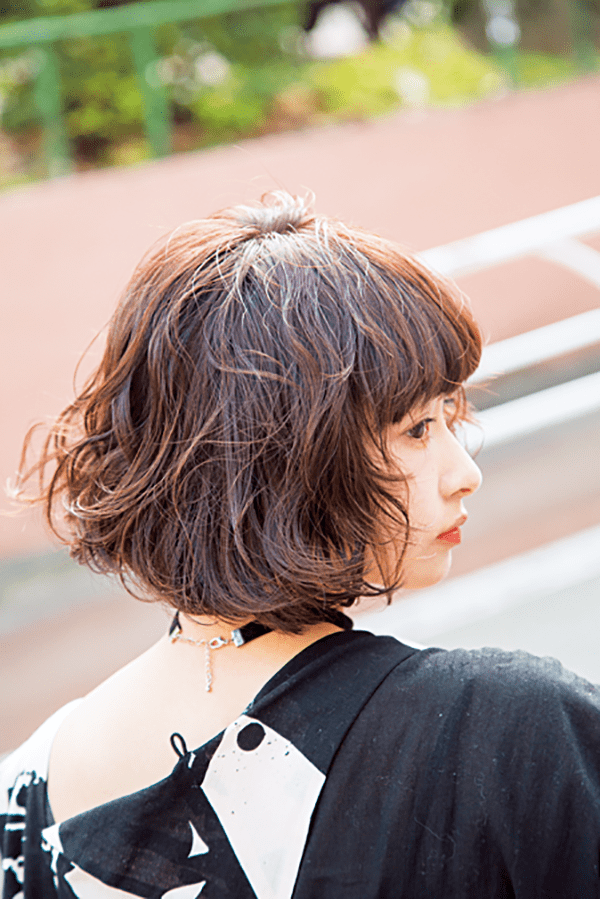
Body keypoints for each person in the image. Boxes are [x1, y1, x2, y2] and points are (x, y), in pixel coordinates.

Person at [1, 192, 600, 899]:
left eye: (452, 415)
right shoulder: (506, 733)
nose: (464, 471)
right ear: (286, 460)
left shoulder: (22, 796)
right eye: (416, 429)